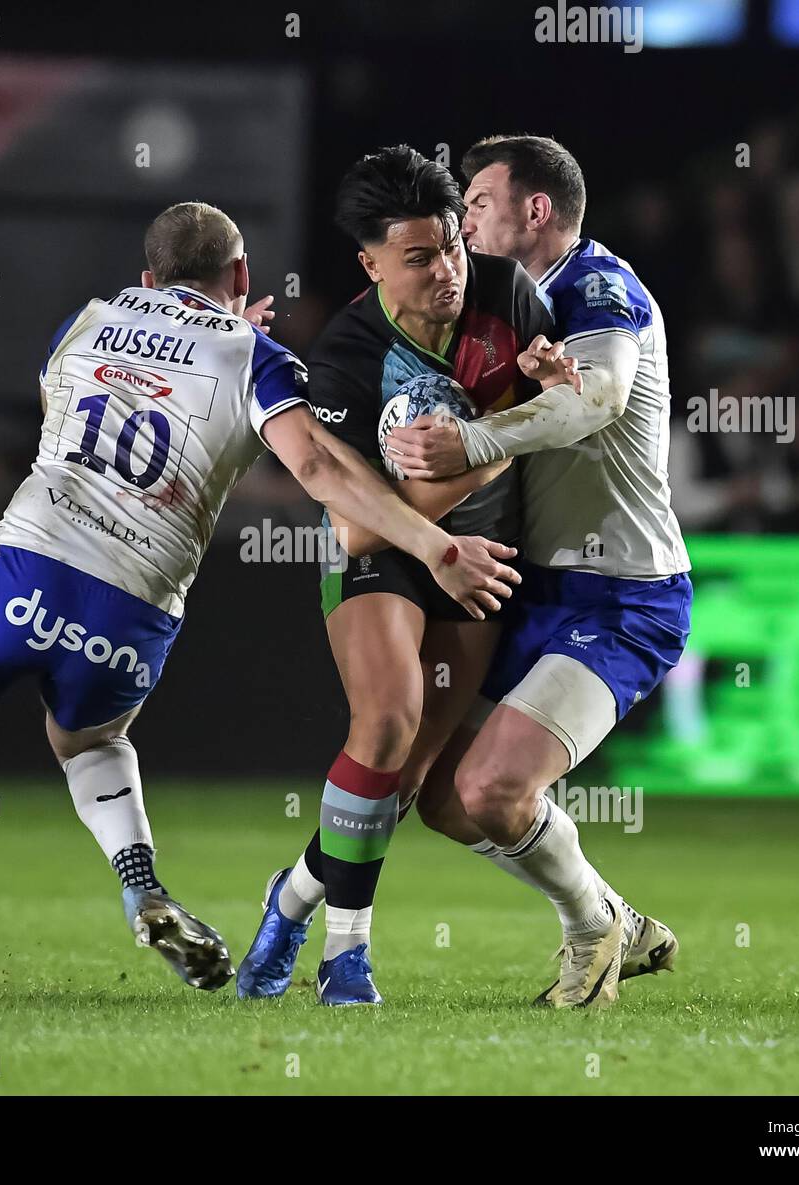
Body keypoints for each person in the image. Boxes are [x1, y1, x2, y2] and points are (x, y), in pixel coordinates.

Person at [0, 200, 516, 999]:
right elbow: (317, 470)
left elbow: (59, 412)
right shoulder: (258, 355)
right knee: (90, 740)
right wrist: (434, 544)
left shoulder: (89, 318)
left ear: (149, 278)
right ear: (240, 278)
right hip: (135, 608)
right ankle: (140, 882)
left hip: (28, 566)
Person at [236, 146, 557, 1006]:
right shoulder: (347, 350)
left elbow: (552, 413)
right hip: (384, 555)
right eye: (419, 257)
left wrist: (523, 416)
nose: (447, 269)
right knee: (386, 721)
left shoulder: (508, 295)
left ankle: (290, 898)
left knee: (405, 784)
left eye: (452, 243)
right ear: (371, 262)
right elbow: (352, 516)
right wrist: (493, 454)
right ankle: (348, 958)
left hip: (477, 563)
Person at [391, 134, 693, 1009]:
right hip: (537, 589)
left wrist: (476, 437)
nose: (464, 223)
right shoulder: (507, 307)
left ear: (535, 210)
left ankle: (590, 933)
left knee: (494, 786)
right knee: (444, 793)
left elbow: (593, 398)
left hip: (623, 595)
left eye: (477, 204)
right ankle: (613, 916)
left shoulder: (599, 288)